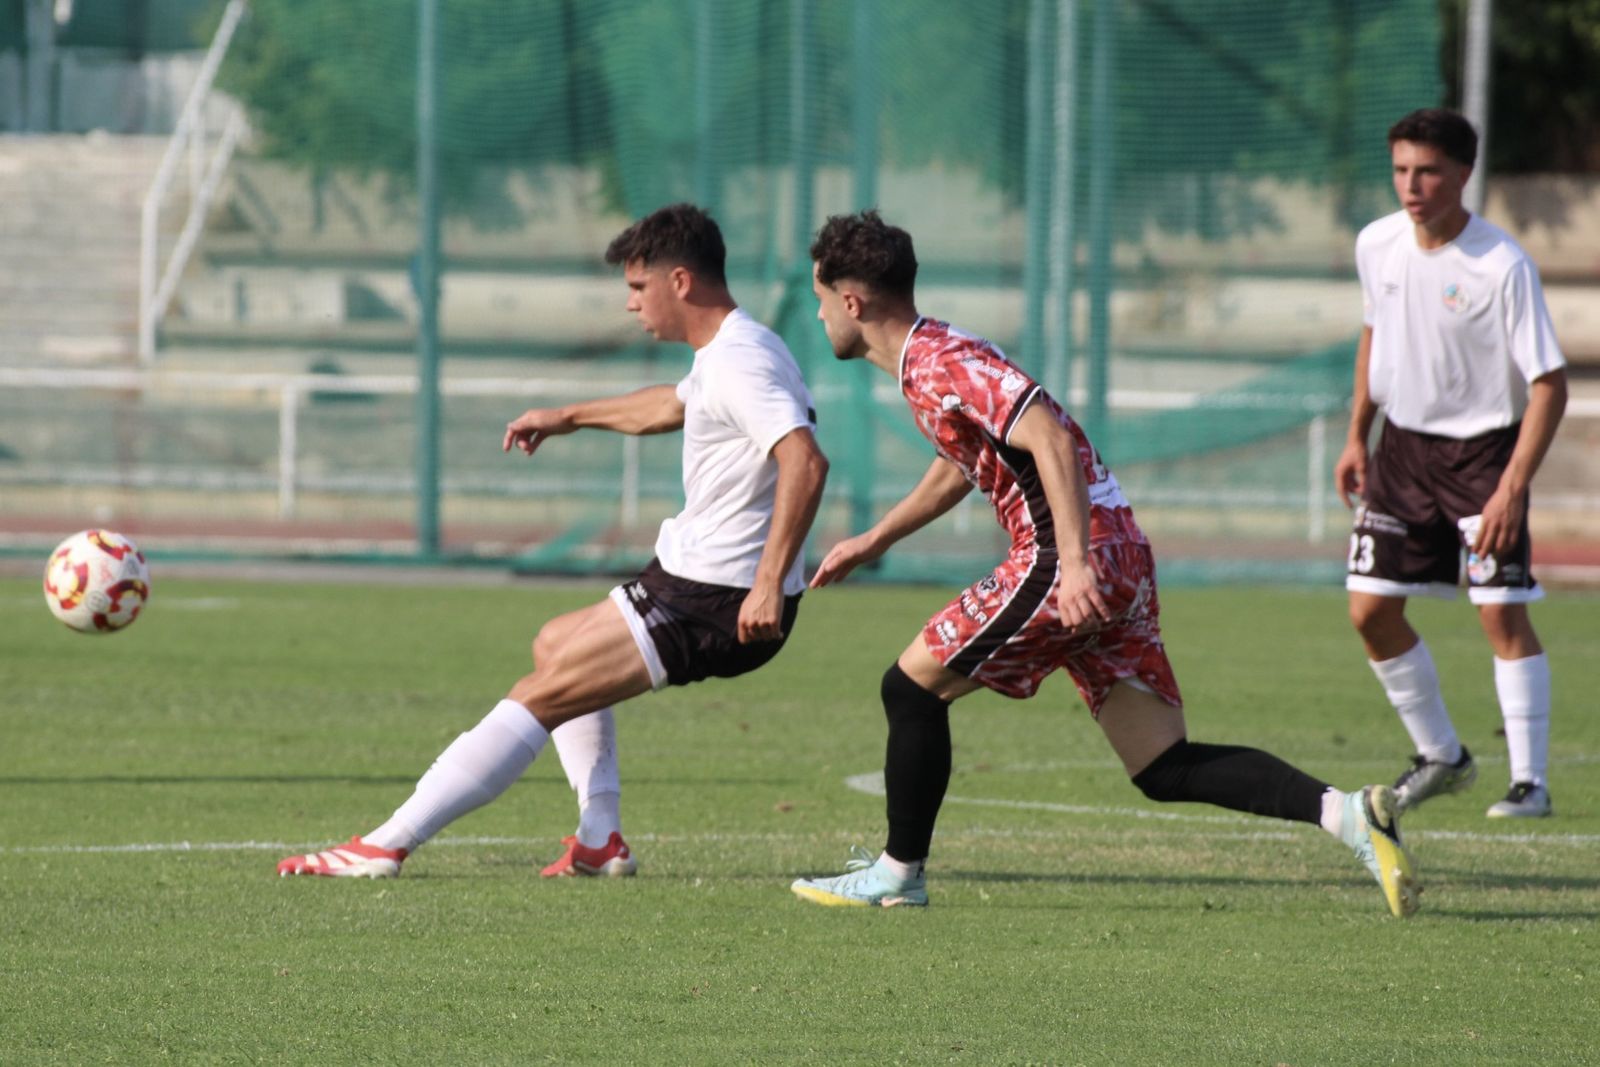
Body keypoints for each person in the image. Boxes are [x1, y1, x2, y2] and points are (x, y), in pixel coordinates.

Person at [789, 210, 1419, 917]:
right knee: (1161, 764)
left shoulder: (942, 362)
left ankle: (898, 874)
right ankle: (1349, 816)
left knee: (910, 688)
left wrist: (1077, 564)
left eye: (819, 301)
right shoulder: (933, 360)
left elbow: (1050, 439)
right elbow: (960, 464)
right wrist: (874, 540)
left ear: (853, 301)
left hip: (1068, 555)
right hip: (1116, 552)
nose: (817, 317)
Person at [278, 203, 828, 878]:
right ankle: (600, 839)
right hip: (695, 580)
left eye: (637, 287)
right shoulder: (733, 350)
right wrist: (567, 416)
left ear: (680, 281)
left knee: (537, 695)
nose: (632, 305)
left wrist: (770, 581)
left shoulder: (742, 359)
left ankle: (385, 844)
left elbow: (805, 459)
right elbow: (670, 405)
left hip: (715, 593)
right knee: (554, 643)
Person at [1335, 108, 1568, 820]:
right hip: (1400, 450)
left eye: (1428, 170)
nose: (1412, 184)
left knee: (1500, 616)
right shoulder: (1377, 244)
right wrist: (1355, 436)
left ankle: (1529, 783)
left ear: (1464, 174)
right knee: (1370, 611)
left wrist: (1510, 490)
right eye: (1402, 168)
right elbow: (1375, 334)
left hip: (1482, 457)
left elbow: (1549, 385)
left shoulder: (1502, 264)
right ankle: (1442, 754)